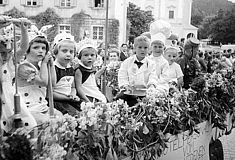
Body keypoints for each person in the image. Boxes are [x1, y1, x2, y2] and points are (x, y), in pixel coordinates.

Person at [0, 18, 37, 133]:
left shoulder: (11, 63)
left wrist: (23, 30)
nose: (6, 56)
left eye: (9, 52)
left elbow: (23, 47)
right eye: (2, 53)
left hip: (12, 99)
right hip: (1, 101)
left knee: (27, 125)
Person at [17, 35, 62, 125]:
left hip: (42, 106)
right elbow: (43, 82)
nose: (40, 51)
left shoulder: (41, 67)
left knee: (61, 117)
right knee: (46, 122)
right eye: (35, 47)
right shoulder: (24, 67)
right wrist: (45, 63)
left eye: (43, 48)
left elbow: (52, 83)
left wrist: (51, 65)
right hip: (28, 108)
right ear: (27, 50)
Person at [117, 35, 157, 106]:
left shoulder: (151, 64)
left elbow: (153, 76)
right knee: (120, 99)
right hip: (130, 92)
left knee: (152, 102)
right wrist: (125, 85)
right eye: (140, 47)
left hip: (145, 92)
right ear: (134, 48)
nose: (142, 50)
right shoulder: (127, 62)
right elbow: (122, 75)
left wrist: (151, 85)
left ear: (149, 49)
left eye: (145, 48)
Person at [52, 33, 81, 115]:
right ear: (56, 52)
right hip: (58, 101)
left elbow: (73, 87)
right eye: (64, 51)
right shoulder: (54, 69)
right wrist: (66, 98)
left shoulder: (70, 69)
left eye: (71, 52)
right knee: (71, 115)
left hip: (69, 99)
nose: (68, 54)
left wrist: (73, 94)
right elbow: (50, 93)